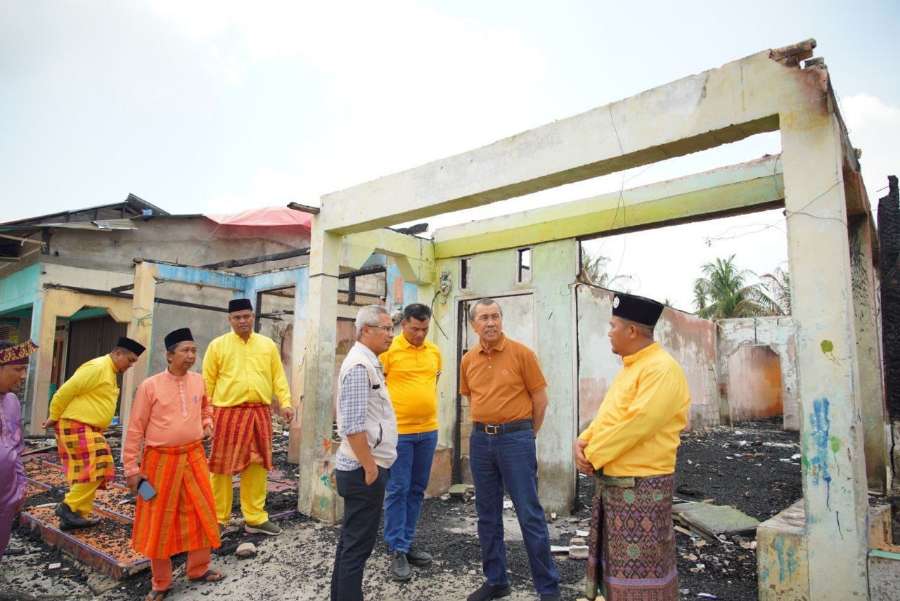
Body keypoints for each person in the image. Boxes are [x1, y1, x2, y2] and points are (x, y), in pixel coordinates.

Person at [574, 292, 690, 601]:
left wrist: (593, 454)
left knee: (643, 573)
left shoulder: (661, 369)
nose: (608, 332)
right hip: (618, 484)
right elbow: (609, 415)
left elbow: (637, 424)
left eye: (613, 325)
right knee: (618, 571)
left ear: (632, 331)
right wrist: (583, 441)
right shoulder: (632, 367)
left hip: (642, 487)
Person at [460, 298, 560, 601]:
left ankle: (548, 589)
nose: (490, 323)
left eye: (495, 316)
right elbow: (471, 399)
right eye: (484, 318)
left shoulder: (522, 354)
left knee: (529, 514)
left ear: (502, 320)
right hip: (480, 441)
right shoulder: (468, 360)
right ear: (473, 324)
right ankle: (496, 581)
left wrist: (528, 435)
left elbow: (540, 401)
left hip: (516, 439)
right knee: (487, 514)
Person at [124, 328, 224, 601]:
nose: (192, 356)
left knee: (203, 510)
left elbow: (207, 408)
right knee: (157, 518)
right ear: (169, 355)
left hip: (194, 457)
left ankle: (198, 569)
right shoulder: (150, 386)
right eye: (185, 351)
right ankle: (161, 582)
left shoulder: (199, 381)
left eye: (194, 350)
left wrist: (207, 423)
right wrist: (132, 470)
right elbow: (135, 429)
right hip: (158, 462)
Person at [203, 298, 293, 536]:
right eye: (237, 317)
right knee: (221, 468)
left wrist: (285, 402)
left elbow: (278, 377)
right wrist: (206, 415)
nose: (242, 321)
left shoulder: (267, 345)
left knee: (258, 465)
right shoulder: (217, 346)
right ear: (229, 319)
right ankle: (218, 518)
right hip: (227, 413)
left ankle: (254, 518)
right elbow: (207, 383)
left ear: (253, 317)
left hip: (259, 413)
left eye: (246, 316)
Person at [331, 305, 398, 601]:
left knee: (350, 541)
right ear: (365, 330)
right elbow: (353, 426)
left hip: (362, 467)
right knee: (358, 546)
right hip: (363, 470)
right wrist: (371, 468)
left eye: (391, 328)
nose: (391, 335)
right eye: (386, 328)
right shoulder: (360, 367)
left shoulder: (368, 362)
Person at [44, 337, 145, 530]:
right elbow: (64, 392)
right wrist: (53, 416)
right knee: (98, 464)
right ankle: (69, 507)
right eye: (130, 360)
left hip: (86, 427)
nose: (131, 365)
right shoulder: (97, 367)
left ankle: (75, 513)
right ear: (117, 353)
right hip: (75, 424)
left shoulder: (109, 371)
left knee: (95, 469)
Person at [379, 303, 442, 581]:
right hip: (399, 434)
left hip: (428, 432)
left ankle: (405, 541)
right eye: (415, 328)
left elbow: (432, 385)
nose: (420, 334)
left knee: (417, 489)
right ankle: (396, 548)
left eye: (425, 329)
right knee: (398, 489)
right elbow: (378, 392)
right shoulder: (388, 352)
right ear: (403, 324)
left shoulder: (434, 353)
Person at [0, 340, 37, 559]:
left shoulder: (12, 401)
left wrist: (21, 486)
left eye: (24, 369)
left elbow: (16, 448)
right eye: (18, 369)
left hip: (6, 494)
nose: (23, 376)